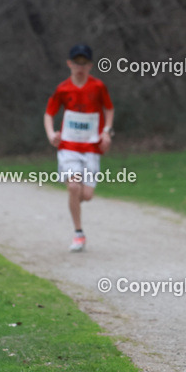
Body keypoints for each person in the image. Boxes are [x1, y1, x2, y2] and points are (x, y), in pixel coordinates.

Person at [44, 44, 114, 252]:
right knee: (74, 187)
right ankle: (78, 233)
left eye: (84, 63)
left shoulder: (98, 87)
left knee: (87, 195)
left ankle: (73, 202)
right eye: (76, 63)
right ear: (69, 64)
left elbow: (109, 109)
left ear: (90, 65)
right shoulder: (63, 89)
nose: (80, 67)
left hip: (91, 148)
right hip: (68, 147)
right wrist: (51, 134)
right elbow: (49, 113)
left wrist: (106, 132)